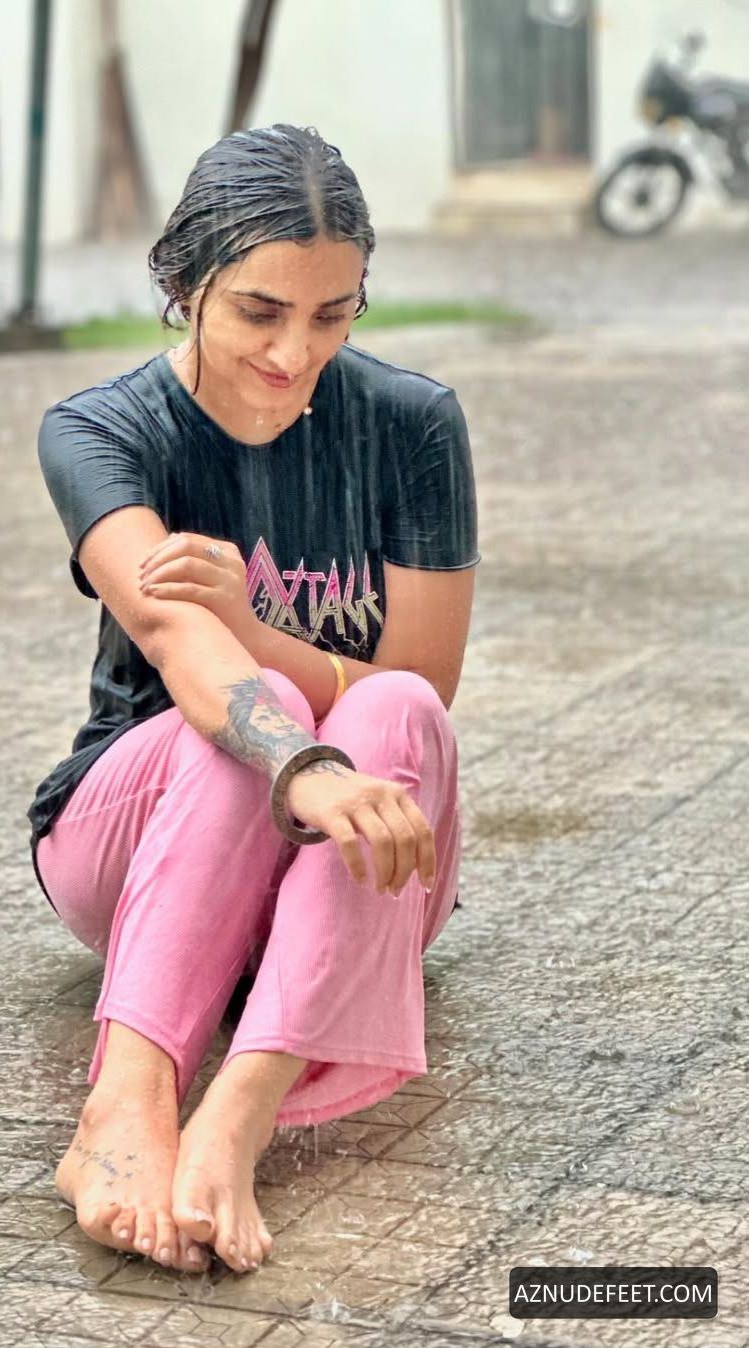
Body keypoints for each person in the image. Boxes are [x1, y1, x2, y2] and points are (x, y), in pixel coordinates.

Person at [26, 123, 480, 1278]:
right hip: (140, 842)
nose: (294, 352)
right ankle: (126, 1104)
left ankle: (241, 1106)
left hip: (360, 853)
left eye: (333, 314)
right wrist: (297, 757)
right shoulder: (101, 431)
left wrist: (260, 626)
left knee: (397, 714)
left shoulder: (413, 425)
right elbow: (180, 641)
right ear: (186, 287)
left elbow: (422, 682)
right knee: (255, 699)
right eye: (260, 311)